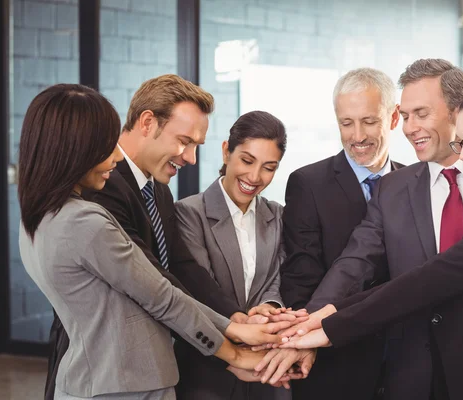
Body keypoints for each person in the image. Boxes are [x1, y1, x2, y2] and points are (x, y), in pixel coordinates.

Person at [282, 59, 463, 400]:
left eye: (420, 114)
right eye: (405, 116)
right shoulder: (393, 188)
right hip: (413, 379)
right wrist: (309, 323)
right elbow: (354, 264)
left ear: (457, 112)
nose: (409, 128)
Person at [19, 84, 291, 399]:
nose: (190, 158)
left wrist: (234, 319)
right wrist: (234, 347)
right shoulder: (93, 203)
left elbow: (180, 267)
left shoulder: (154, 190)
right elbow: (156, 292)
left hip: (123, 372)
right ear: (148, 123)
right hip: (115, 374)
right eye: (184, 141)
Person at [279, 67, 404, 399]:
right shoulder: (309, 184)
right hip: (335, 362)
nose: (357, 136)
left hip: (404, 364)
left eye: (369, 121)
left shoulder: (415, 183)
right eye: (346, 123)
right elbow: (300, 276)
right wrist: (306, 340)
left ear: (393, 118)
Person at [174, 110, 313, 399]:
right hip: (208, 372)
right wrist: (243, 324)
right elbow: (199, 290)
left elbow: (278, 275)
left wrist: (268, 307)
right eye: (247, 161)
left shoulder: (277, 215)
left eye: (268, 167)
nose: (254, 177)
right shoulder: (189, 213)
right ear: (227, 152)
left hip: (266, 371)